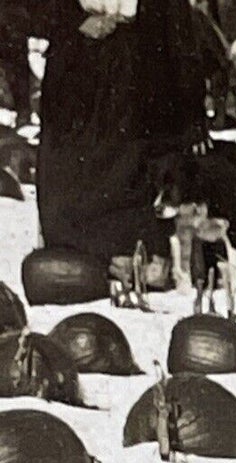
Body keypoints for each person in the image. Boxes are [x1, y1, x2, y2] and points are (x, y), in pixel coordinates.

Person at [33, 0, 208, 267]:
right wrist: (78, 23)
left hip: (135, 81)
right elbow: (44, 12)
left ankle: (127, 255)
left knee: (127, 172)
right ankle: (71, 250)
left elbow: (180, 41)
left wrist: (193, 113)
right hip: (78, 72)